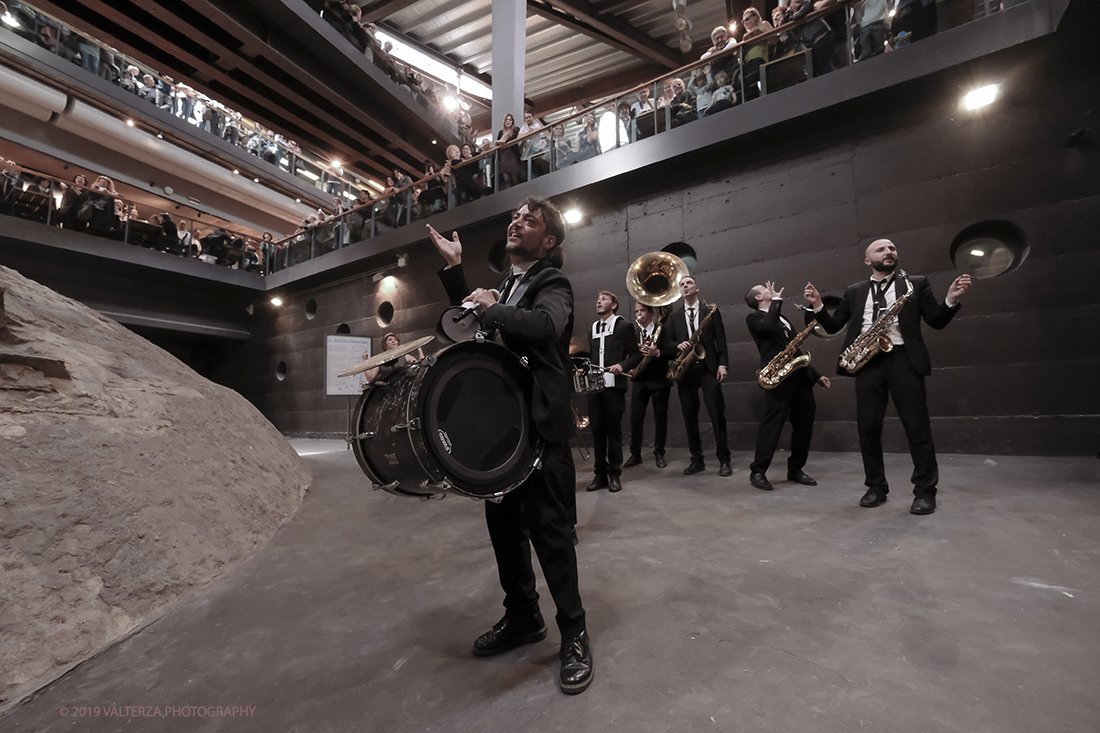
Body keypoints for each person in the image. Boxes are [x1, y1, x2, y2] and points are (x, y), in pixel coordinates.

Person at [425, 196, 593, 695]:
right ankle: (523, 616)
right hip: (506, 433)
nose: (516, 222)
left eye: (530, 220)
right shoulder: (506, 285)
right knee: (504, 528)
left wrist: (494, 307)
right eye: (515, 217)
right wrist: (457, 275)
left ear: (549, 242)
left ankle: (575, 632)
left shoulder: (550, 283)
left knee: (552, 534)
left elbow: (546, 327)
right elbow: (470, 327)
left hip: (539, 428)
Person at [804, 239, 971, 515]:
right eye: (880, 249)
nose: (889, 252)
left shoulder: (915, 284)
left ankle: (925, 492)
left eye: (892, 248)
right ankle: (876, 487)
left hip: (904, 359)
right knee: (868, 428)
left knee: (917, 429)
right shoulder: (855, 291)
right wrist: (819, 306)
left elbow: (936, 320)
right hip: (867, 362)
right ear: (868, 261)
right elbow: (834, 325)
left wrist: (951, 299)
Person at [745, 281, 830, 491]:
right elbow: (767, 327)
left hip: (799, 377)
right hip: (777, 378)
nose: (769, 289)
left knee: (804, 424)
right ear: (758, 298)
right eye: (764, 289)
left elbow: (795, 349)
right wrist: (776, 302)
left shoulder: (782, 316)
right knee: (772, 425)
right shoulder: (754, 317)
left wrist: (815, 375)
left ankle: (796, 469)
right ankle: (758, 471)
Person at [661, 274, 731, 476]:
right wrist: (677, 345)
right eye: (682, 285)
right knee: (689, 416)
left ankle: (724, 460)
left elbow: (721, 340)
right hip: (686, 371)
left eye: (688, 283)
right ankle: (697, 460)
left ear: (697, 288)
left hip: (709, 368)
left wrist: (723, 364)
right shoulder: (674, 317)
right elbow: (667, 343)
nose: (685, 286)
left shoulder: (710, 311)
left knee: (717, 415)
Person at [584, 291, 641, 493]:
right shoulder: (592, 329)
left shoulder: (625, 327)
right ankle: (599, 475)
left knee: (613, 432)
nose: (599, 301)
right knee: (597, 432)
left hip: (614, 388)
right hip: (595, 388)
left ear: (614, 305)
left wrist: (621, 365)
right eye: (598, 299)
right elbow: (592, 357)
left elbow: (635, 356)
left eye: (604, 299)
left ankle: (614, 474)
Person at [624, 302, 671, 469]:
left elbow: (673, 352)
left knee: (660, 419)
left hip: (659, 380)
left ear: (650, 313)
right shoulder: (635, 334)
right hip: (640, 381)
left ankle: (659, 453)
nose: (639, 314)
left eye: (642, 310)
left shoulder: (662, 331)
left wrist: (657, 352)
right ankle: (635, 454)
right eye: (636, 311)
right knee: (636, 419)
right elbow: (631, 356)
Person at [494, 113, 522, 189]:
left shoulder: (516, 130)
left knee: (515, 178)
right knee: (506, 179)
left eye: (510, 119)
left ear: (512, 121)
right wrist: (501, 141)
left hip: (512, 155)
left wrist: (504, 141)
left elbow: (514, 139)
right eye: (506, 119)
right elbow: (497, 144)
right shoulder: (501, 132)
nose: (508, 121)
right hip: (503, 157)